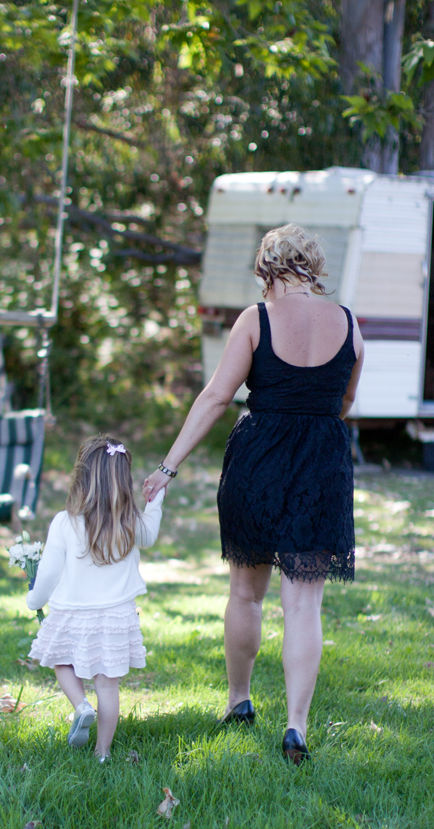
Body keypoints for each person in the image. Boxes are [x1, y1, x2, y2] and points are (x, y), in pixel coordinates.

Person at [143, 224, 364, 764]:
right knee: (304, 603)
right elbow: (344, 403)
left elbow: (218, 396)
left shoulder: (255, 320)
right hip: (322, 465)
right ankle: (296, 728)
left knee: (246, 592)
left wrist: (166, 469)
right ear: (313, 267)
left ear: (267, 267)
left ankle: (240, 701)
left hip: (258, 458)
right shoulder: (351, 326)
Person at [27, 435, 165, 761]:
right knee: (108, 686)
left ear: (82, 477)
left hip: (71, 612)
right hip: (116, 615)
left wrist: (35, 600)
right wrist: (155, 500)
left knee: (61, 661)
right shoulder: (130, 522)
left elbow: (47, 573)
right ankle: (102, 754)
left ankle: (81, 706)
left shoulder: (65, 522)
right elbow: (151, 534)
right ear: (123, 480)